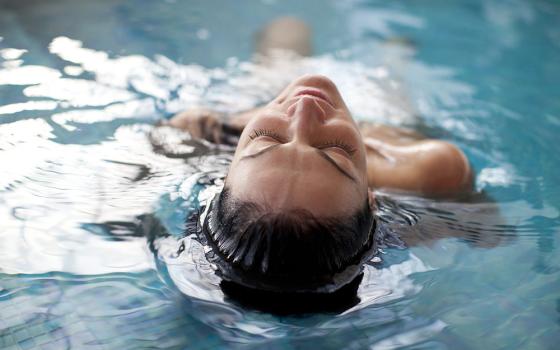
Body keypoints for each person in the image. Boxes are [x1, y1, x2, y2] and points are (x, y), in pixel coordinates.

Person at [160, 17, 472, 296]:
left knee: (287, 30)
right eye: (335, 152)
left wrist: (220, 125)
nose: (304, 111)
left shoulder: (203, 135)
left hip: (250, 110)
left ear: (224, 174)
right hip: (385, 126)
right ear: (370, 198)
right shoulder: (431, 170)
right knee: (392, 62)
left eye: (266, 138)